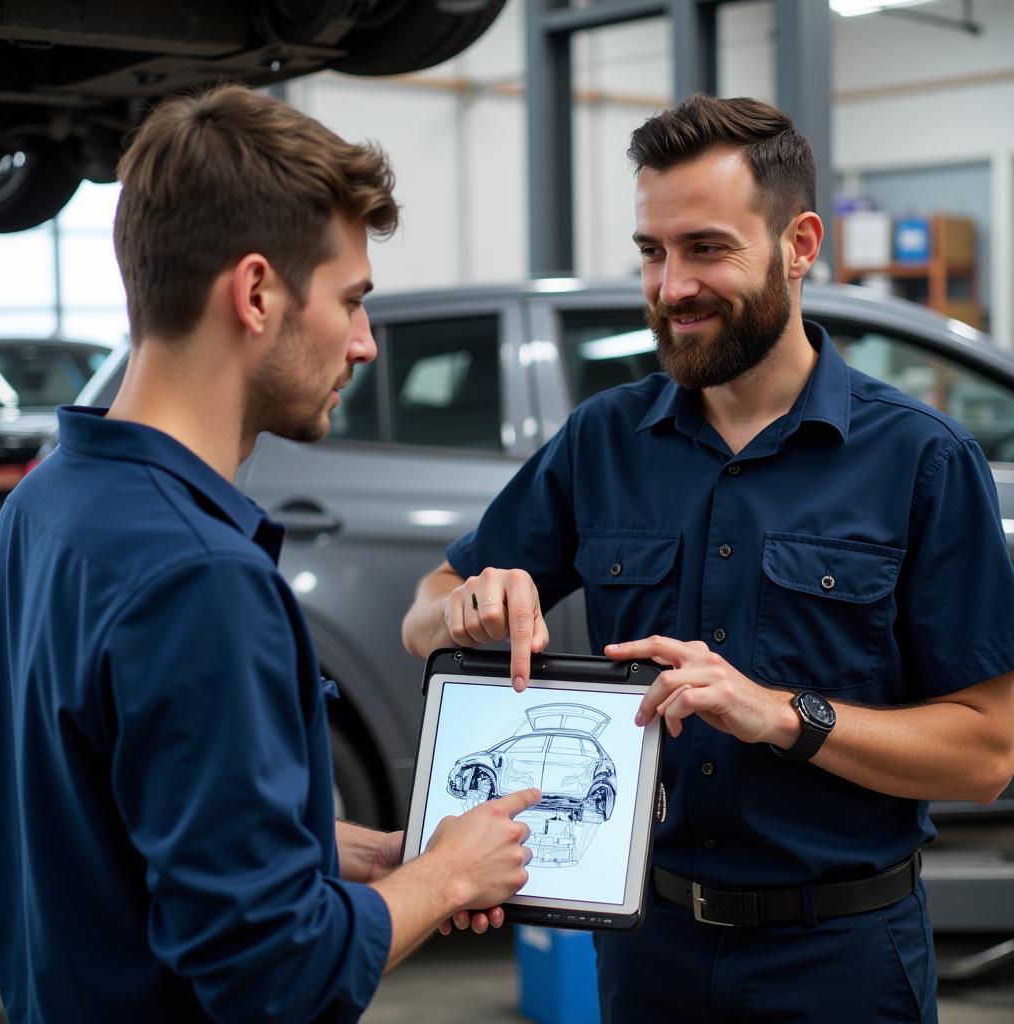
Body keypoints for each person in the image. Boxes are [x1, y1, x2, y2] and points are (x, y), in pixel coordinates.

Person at [402, 94, 1014, 1023]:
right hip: (649, 954)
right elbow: (425, 613)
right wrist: (466, 602)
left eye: (707, 249)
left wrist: (777, 715)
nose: (670, 286)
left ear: (800, 243)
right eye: (653, 252)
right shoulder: (603, 440)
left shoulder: (922, 460)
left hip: (842, 962)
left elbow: (986, 751)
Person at [0, 84, 540, 1024]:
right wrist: (446, 878)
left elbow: (93, 823)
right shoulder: (201, 578)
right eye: (352, 301)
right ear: (254, 293)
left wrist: (323, 854)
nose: (365, 343)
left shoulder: (45, 502)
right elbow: (278, 976)